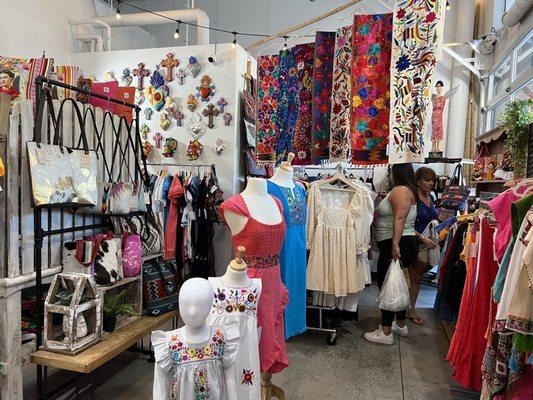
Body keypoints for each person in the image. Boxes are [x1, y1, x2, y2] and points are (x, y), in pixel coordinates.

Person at [364, 163, 419, 345]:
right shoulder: (404, 190)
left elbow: (400, 217)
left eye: (390, 172)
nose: (388, 176)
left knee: (387, 285)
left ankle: (386, 331)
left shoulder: (401, 190)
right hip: (401, 242)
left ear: (397, 172)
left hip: (396, 244)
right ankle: (400, 324)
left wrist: (395, 244)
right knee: (398, 284)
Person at [407, 167, 439, 326]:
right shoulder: (412, 198)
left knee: (417, 278)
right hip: (414, 242)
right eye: (427, 180)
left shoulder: (430, 197)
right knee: (413, 278)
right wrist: (421, 237)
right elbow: (405, 223)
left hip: (427, 243)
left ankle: (409, 309)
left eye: (432, 180)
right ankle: (408, 311)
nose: (431, 183)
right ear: (418, 181)